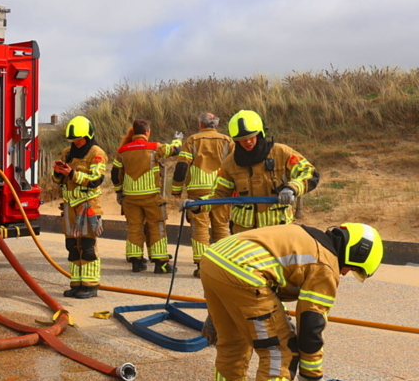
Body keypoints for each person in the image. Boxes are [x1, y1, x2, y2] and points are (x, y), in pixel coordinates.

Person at [201, 223, 383, 381]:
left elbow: (270, 276)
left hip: (214, 259)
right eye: (352, 269)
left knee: (234, 338)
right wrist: (312, 371)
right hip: (244, 273)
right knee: (280, 351)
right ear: (356, 252)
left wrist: (216, 316)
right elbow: (311, 321)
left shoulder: (307, 237)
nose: (345, 273)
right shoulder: (325, 263)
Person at [194, 110, 318, 233]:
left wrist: (291, 189)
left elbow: (309, 173)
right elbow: (220, 194)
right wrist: (198, 204)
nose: (247, 142)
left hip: (278, 231)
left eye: (251, 136)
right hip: (244, 233)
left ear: (260, 133)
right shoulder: (230, 163)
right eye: (242, 139)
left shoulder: (282, 153)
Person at [111, 119, 182, 273]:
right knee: (157, 226)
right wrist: (177, 140)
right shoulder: (154, 147)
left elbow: (115, 174)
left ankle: (136, 261)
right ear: (147, 132)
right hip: (151, 197)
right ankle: (160, 262)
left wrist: (119, 191)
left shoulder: (122, 151)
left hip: (130, 197)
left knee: (134, 227)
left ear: (134, 132)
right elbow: (175, 150)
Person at [171, 113, 234, 277]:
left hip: (197, 192)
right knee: (221, 227)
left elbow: (182, 167)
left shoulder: (192, 140)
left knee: (200, 230)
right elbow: (236, 165)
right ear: (217, 124)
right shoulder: (227, 141)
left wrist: (176, 190)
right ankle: (225, 265)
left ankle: (202, 267)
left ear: (200, 125)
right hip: (222, 191)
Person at [53, 116, 107, 299]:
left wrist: (73, 174)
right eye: (73, 140)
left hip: (88, 206)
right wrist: (58, 172)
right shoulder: (67, 152)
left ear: (88, 135)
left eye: (79, 139)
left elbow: (96, 180)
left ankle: (90, 285)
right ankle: (76, 283)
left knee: (87, 245)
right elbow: (58, 180)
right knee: (72, 246)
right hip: (69, 207)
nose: (76, 143)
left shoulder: (96, 153)